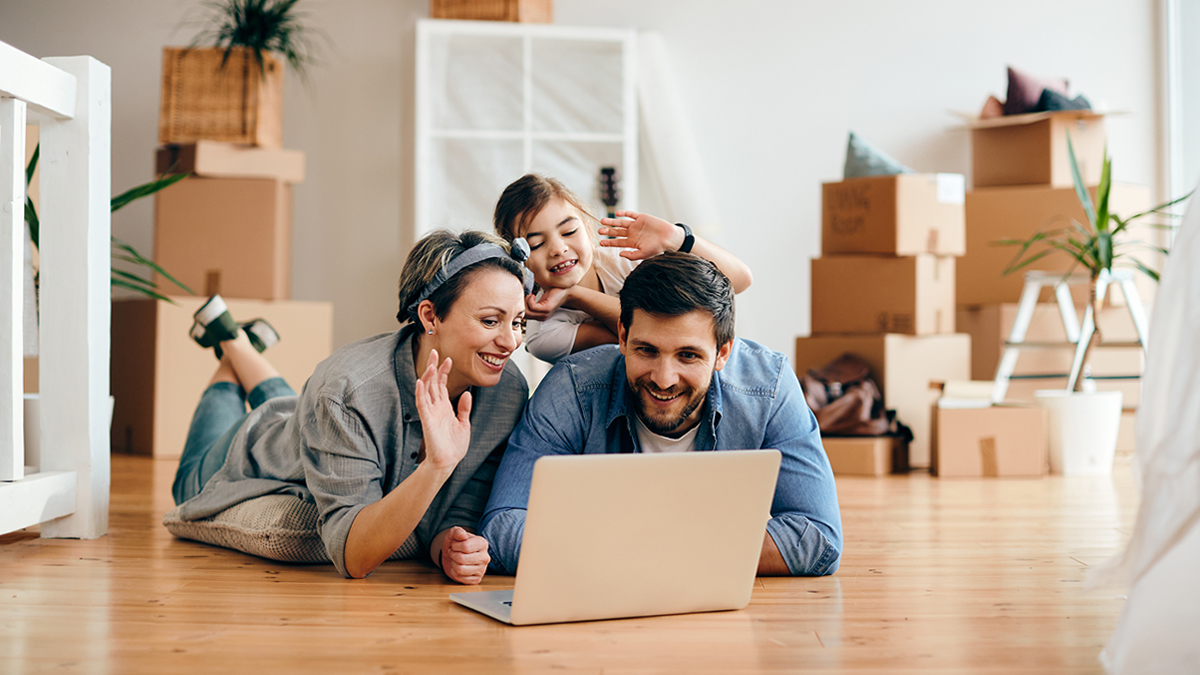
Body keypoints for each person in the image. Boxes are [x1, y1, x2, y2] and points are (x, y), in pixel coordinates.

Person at [170, 230, 533, 583]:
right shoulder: (347, 390)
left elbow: (460, 506)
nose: (510, 341)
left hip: (305, 415)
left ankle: (238, 342)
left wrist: (448, 546)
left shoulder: (508, 391)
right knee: (187, 479)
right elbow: (354, 559)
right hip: (247, 452)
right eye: (490, 321)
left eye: (518, 323)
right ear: (429, 316)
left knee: (295, 406)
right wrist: (437, 465)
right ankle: (230, 344)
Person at [479, 252, 842, 577]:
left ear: (723, 352)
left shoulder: (769, 388)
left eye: (688, 355)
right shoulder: (573, 388)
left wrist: (645, 549)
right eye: (647, 350)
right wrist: (673, 551)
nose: (664, 379)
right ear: (622, 335)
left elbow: (818, 538)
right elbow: (502, 526)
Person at [493, 173, 753, 365]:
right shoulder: (544, 334)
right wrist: (574, 295)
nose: (558, 249)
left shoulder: (626, 258)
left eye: (569, 231)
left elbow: (739, 281)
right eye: (537, 244)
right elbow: (647, 333)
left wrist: (675, 238)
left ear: (587, 227)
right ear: (518, 258)